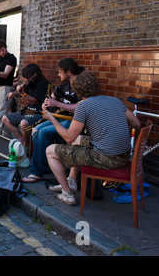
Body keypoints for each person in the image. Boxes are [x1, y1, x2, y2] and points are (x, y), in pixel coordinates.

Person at [43, 70, 140, 205]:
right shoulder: (115, 100)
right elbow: (136, 123)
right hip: (124, 156)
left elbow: (68, 138)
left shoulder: (83, 106)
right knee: (79, 140)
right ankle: (71, 181)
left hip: (106, 158)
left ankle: (67, 193)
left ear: (78, 90)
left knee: (50, 151)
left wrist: (51, 118)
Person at [22, 58, 84, 183]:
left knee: (43, 133)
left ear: (68, 72)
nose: (58, 74)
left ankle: (36, 172)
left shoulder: (80, 85)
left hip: (73, 121)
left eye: (60, 72)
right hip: (60, 118)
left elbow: (81, 107)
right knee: (35, 130)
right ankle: (45, 166)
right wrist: (47, 103)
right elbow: (52, 97)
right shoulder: (65, 85)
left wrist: (57, 104)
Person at [2, 63, 49, 146]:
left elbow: (33, 100)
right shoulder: (30, 83)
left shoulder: (42, 84)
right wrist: (13, 93)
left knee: (24, 123)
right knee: (5, 118)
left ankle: (26, 145)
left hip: (39, 112)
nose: (26, 79)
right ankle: (20, 137)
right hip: (28, 111)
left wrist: (23, 93)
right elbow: (20, 94)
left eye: (27, 77)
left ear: (34, 74)